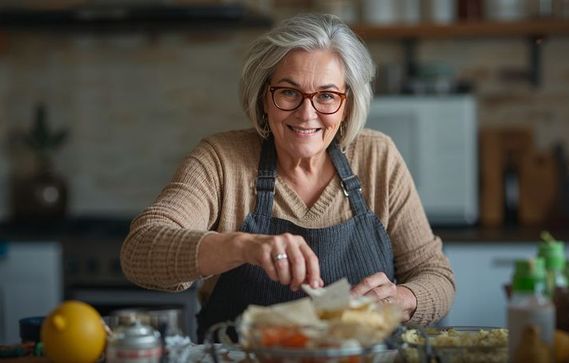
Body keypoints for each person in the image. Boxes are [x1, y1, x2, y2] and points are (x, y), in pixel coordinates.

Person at [120, 13, 455, 342]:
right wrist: (243, 246)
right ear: (265, 97)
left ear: (347, 105)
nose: (307, 114)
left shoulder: (377, 158)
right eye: (289, 92)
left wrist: (405, 299)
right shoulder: (221, 160)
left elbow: (437, 277)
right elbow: (139, 251)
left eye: (326, 95)